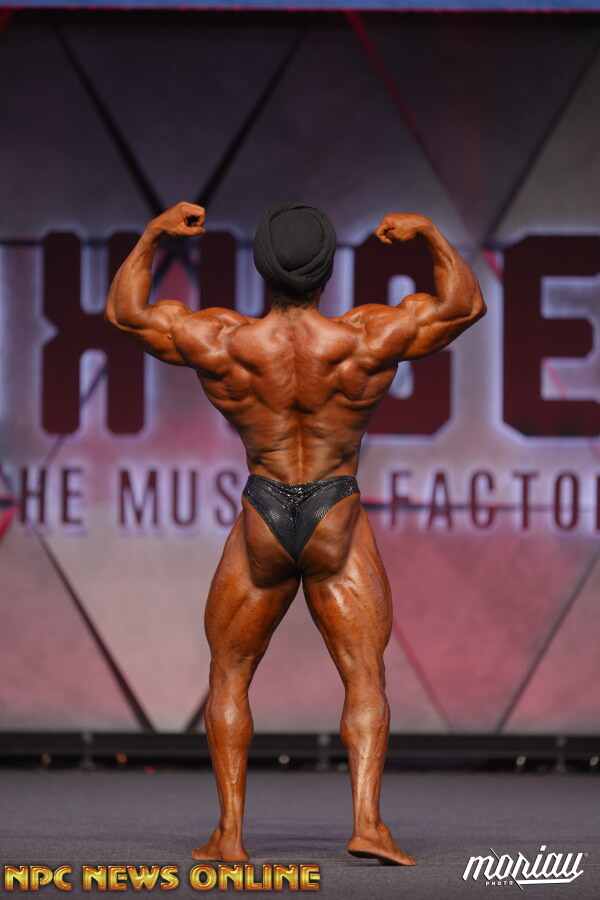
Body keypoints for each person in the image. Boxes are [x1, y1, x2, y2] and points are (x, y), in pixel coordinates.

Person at [105, 200, 486, 866]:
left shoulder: (225, 342)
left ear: (262, 270)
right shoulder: (365, 339)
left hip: (265, 511)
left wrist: (153, 235)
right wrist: (428, 234)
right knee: (364, 676)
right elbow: (463, 306)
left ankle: (229, 834)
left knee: (230, 673)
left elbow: (126, 314)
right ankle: (367, 823)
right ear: (327, 272)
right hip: (336, 514)